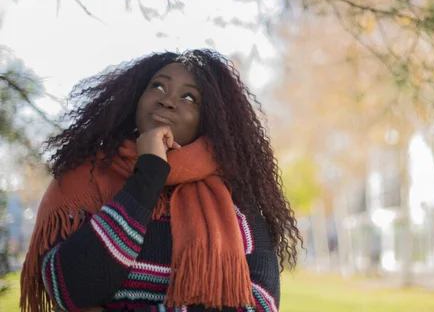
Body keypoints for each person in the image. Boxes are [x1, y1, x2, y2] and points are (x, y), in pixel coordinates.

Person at [20, 49, 301, 312]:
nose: (167, 100)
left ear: (209, 120)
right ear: (135, 100)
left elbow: (260, 303)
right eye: (157, 86)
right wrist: (150, 171)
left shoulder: (235, 200)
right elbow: (69, 288)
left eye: (189, 97)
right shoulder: (87, 178)